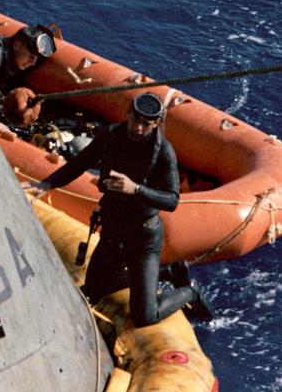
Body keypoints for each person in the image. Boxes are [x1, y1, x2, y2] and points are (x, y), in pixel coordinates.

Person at [25, 92, 209, 327]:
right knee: (91, 292)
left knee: (145, 316)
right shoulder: (111, 135)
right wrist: (47, 183)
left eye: (146, 124)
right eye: (135, 120)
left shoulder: (163, 152)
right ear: (128, 114)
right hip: (113, 230)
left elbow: (172, 200)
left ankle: (189, 292)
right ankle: (166, 272)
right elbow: (81, 162)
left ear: (156, 124)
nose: (138, 128)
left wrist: (135, 189)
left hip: (143, 237)